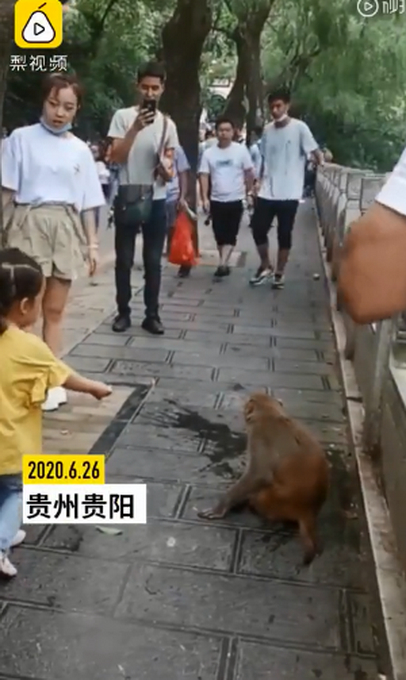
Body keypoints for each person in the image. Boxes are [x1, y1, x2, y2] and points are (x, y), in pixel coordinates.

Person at [0, 248, 112, 577]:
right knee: (17, 492)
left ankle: (5, 528)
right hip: (12, 448)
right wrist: (94, 387)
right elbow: (63, 375)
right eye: (38, 300)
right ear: (24, 306)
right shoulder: (28, 347)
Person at [1, 73, 104, 412]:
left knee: (55, 310)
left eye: (68, 107)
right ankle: (24, 376)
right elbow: (7, 190)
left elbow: (88, 203)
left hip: (65, 225)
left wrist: (92, 245)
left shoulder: (80, 150)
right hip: (29, 221)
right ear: (43, 101)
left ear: (77, 109)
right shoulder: (21, 139)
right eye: (53, 104)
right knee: (26, 308)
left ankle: (53, 379)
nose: (59, 113)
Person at [107, 61, 179, 335]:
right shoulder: (122, 117)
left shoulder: (168, 125)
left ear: (162, 89)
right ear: (137, 86)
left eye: (155, 88)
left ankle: (152, 315)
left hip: (157, 198)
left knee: (153, 261)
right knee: (124, 260)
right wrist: (135, 128)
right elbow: (116, 157)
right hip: (128, 194)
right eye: (145, 87)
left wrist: (165, 168)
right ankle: (123, 313)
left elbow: (170, 170)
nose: (150, 93)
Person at [249, 89, 323, 289]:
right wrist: (257, 182)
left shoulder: (300, 128)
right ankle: (265, 265)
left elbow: (315, 151)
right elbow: (263, 158)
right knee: (258, 228)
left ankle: (279, 273)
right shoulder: (267, 130)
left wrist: (321, 161)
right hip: (267, 190)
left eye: (278, 106)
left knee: (284, 233)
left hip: (290, 192)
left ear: (287, 106)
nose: (275, 110)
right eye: (272, 107)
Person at [199, 116, 254, 278]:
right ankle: (224, 261)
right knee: (219, 234)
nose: (224, 133)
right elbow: (204, 175)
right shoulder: (209, 153)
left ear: (233, 132)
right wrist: (204, 198)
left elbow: (249, 172)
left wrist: (249, 191)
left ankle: (223, 263)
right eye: (221, 130)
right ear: (216, 132)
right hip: (216, 199)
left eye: (227, 130)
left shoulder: (241, 151)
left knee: (231, 233)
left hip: (236, 198)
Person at [165, 144, 190, 266]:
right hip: (152, 194)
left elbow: (182, 173)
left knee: (171, 226)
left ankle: (170, 249)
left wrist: (182, 196)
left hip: (172, 194)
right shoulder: (151, 145)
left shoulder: (176, 149)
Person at [91, 142, 110, 230]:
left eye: (95, 151)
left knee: (95, 210)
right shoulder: (89, 163)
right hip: (92, 189)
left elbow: (105, 174)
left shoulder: (100, 164)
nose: (92, 153)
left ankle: (94, 228)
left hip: (100, 187)